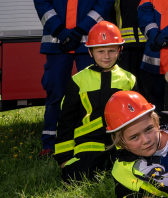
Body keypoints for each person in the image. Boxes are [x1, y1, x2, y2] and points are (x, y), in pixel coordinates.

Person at [32, 0, 115, 157]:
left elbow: (105, 1)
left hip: (87, 43)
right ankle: (50, 143)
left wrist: (80, 30)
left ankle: (93, 138)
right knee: (56, 90)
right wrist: (59, 29)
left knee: (92, 92)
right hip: (56, 43)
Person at [54, 21, 136, 181]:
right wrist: (64, 158)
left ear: (120, 50)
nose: (106, 56)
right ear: (90, 52)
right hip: (88, 144)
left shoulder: (129, 79)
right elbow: (66, 121)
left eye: (111, 51)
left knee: (131, 175)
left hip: (119, 143)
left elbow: (137, 118)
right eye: (100, 51)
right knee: (74, 177)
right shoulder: (78, 81)